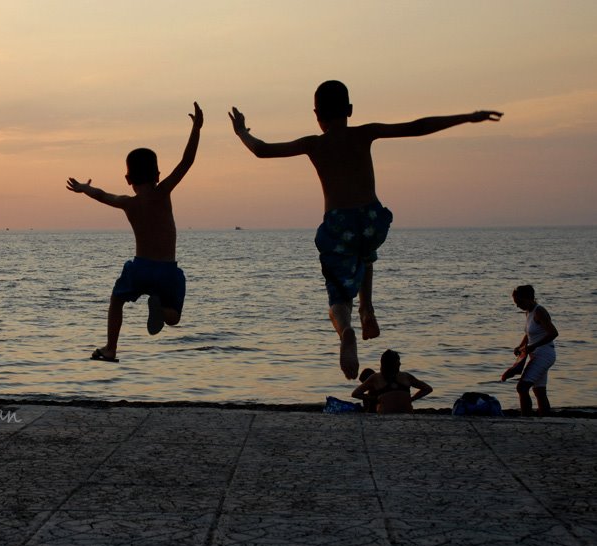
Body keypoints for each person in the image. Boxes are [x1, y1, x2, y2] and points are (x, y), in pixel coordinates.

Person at [229, 81, 502, 379]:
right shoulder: (364, 133)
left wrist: (242, 131)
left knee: (338, 292)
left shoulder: (314, 144)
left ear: (316, 114)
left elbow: (262, 150)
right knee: (365, 249)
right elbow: (417, 126)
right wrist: (467, 116)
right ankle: (367, 308)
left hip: (338, 223)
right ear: (349, 110)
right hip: (372, 219)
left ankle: (346, 329)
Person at [66, 102, 203, 362]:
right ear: (158, 174)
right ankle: (162, 310)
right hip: (167, 269)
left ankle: (111, 349)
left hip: (140, 268)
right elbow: (187, 162)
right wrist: (196, 129)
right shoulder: (163, 192)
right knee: (174, 315)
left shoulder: (128, 203)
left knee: (117, 300)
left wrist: (84, 188)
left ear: (128, 179)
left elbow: (103, 194)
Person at [507, 285, 558, 416]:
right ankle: (545, 419)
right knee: (539, 391)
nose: (518, 306)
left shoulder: (539, 311)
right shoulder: (528, 312)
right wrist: (521, 346)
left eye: (519, 302)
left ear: (529, 298)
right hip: (536, 354)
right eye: (516, 303)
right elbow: (529, 334)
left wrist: (534, 346)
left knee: (522, 387)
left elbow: (553, 333)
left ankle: (526, 419)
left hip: (544, 354)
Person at [352, 350, 432, 414]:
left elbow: (355, 394)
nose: (400, 363)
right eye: (398, 361)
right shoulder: (406, 376)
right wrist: (411, 399)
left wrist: (375, 399)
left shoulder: (376, 377)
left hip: (385, 414)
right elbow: (427, 389)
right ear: (392, 364)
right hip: (407, 413)